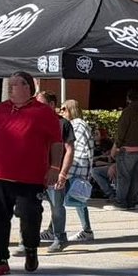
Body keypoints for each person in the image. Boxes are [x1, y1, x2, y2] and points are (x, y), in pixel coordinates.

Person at [0, 73, 70, 276]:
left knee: (29, 217)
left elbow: (56, 142)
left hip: (30, 178)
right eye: (9, 85)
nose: (10, 89)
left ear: (28, 88)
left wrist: (55, 168)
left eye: (15, 85)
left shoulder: (43, 113)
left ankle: (30, 249)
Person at [48, 100, 98, 252]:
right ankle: (54, 230)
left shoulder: (77, 125)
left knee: (72, 199)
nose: (61, 111)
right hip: (76, 167)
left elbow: (78, 149)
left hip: (76, 167)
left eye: (64, 109)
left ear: (71, 109)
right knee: (61, 200)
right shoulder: (78, 124)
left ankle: (86, 230)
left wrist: (70, 169)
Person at [110, 88, 138, 209]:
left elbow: (121, 132)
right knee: (135, 177)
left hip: (128, 149)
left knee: (124, 176)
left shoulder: (128, 112)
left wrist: (116, 146)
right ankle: (131, 202)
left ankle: (120, 202)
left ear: (129, 98)